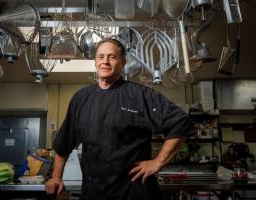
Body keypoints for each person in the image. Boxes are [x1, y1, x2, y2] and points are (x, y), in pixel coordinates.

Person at [45, 38, 193, 200]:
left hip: (134, 192)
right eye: (101, 57)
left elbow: (180, 122)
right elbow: (63, 143)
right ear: (95, 62)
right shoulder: (81, 98)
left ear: (123, 63)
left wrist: (158, 162)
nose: (105, 62)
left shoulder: (140, 95)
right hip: (94, 193)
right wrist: (57, 176)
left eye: (112, 57)